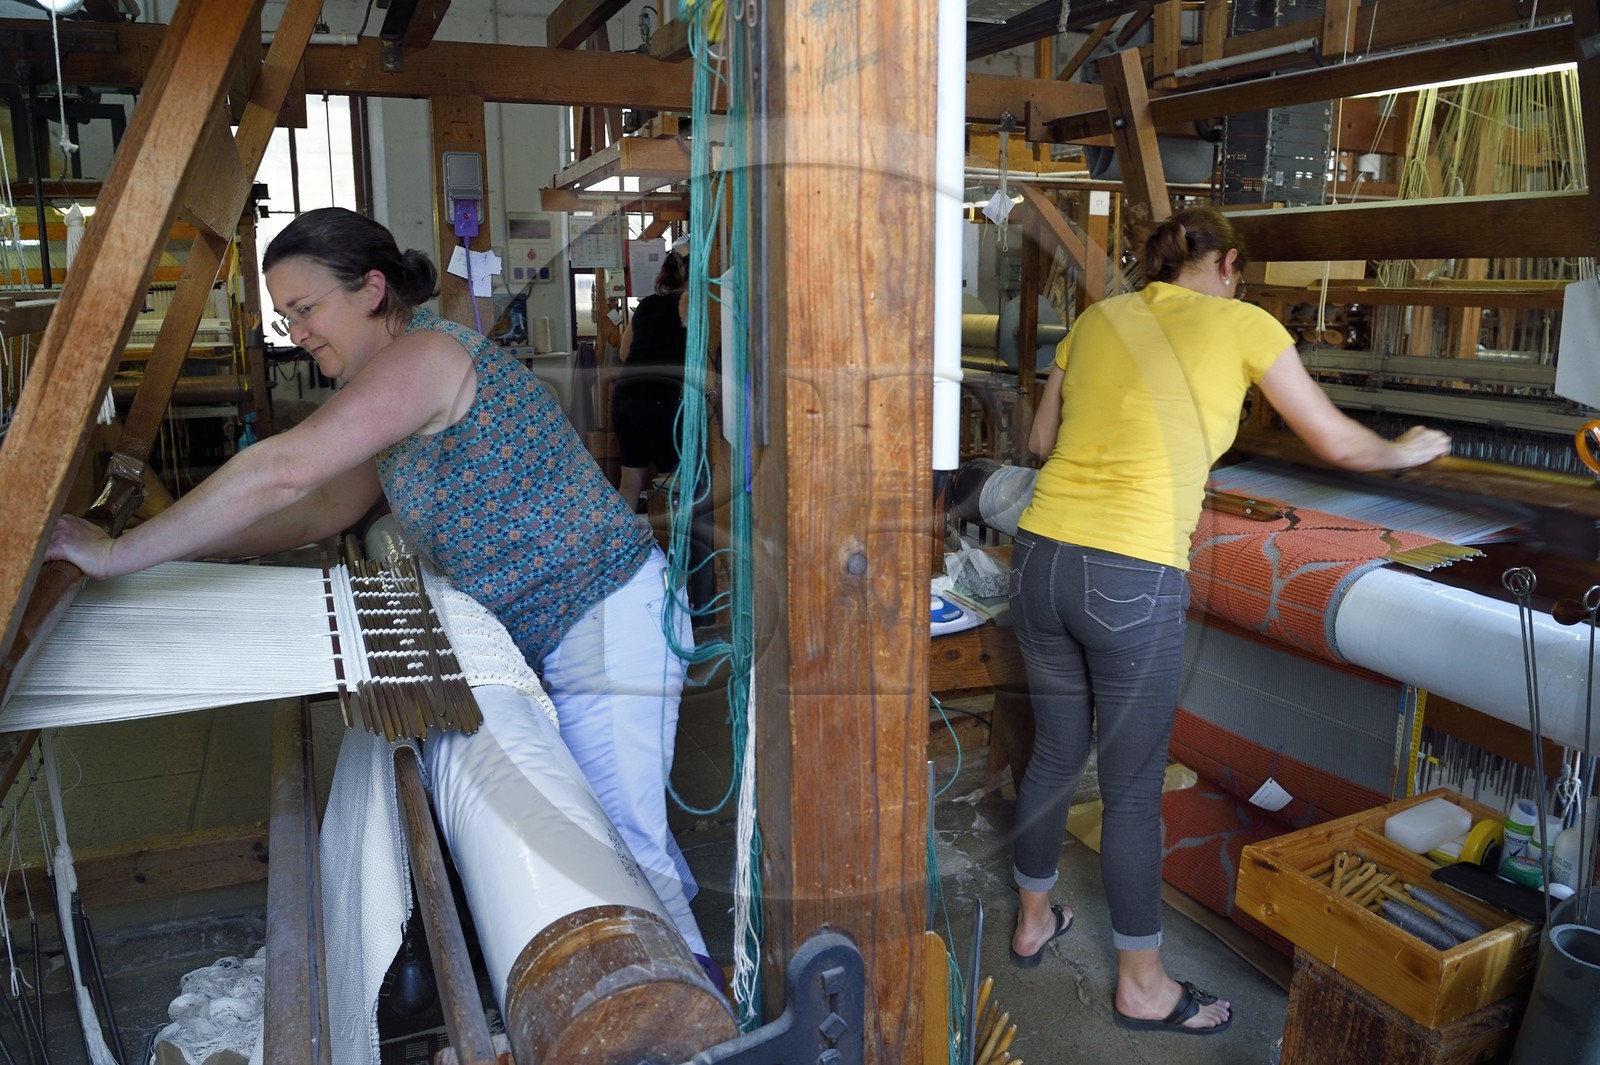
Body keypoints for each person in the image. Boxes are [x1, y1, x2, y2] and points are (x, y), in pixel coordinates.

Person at [46, 207, 721, 987]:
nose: (296, 331)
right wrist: (177, 549)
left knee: (622, 850)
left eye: (305, 309)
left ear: (371, 290)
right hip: (559, 625)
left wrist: (120, 554)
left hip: (605, 612)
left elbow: (285, 470)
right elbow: (319, 509)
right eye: (284, 316)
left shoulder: (427, 356)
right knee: (603, 832)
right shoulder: (396, 388)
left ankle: (693, 1013)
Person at [1007, 205, 1449, 1034]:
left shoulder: (1099, 317)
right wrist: (1409, 450)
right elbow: (1343, 447)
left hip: (1042, 558)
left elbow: (1038, 440)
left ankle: (1033, 920)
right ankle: (1141, 985)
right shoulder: (1244, 322)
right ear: (1229, 264)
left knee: (1058, 750)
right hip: (1130, 571)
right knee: (1133, 789)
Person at [613, 250, 689, 513]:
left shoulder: (646, 303)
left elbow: (624, 353)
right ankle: (676, 550)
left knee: (630, 484)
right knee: (672, 482)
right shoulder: (687, 303)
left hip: (626, 398)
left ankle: (620, 547)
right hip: (659, 401)